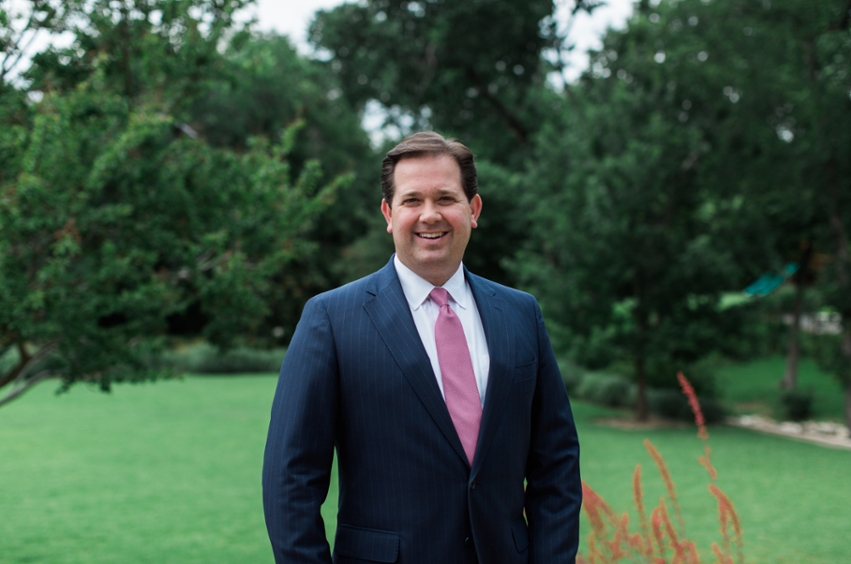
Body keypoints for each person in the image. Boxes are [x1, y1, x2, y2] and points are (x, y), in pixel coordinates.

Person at [262, 131, 581, 564]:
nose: (430, 215)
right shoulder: (331, 320)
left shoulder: (521, 313)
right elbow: (290, 480)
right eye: (412, 201)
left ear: (474, 209)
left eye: (446, 198)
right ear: (389, 214)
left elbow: (556, 464)